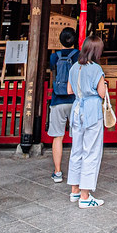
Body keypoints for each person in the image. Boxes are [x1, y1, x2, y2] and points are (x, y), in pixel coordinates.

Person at [67, 34, 108, 207]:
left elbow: (69, 90)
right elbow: (101, 94)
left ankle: (74, 190)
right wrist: (104, 85)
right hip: (91, 111)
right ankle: (85, 196)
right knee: (91, 152)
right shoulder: (96, 69)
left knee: (76, 150)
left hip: (77, 110)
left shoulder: (74, 67)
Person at [47, 27, 79, 183]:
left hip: (57, 100)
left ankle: (58, 172)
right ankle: (76, 171)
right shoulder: (79, 55)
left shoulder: (54, 56)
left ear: (60, 40)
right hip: (75, 100)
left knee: (58, 137)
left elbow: (53, 73)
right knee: (77, 136)